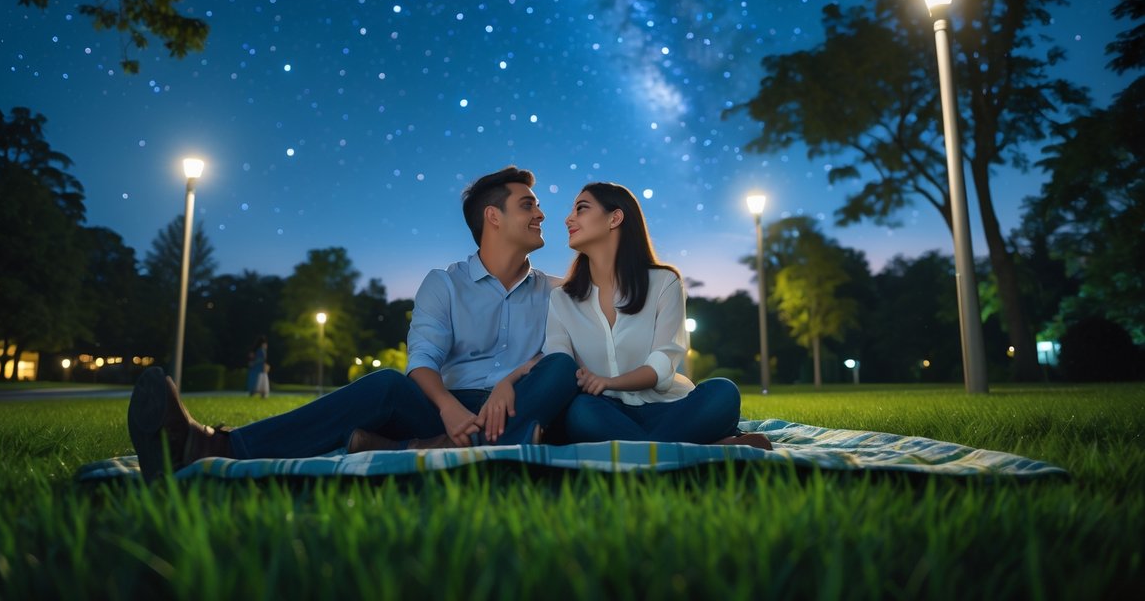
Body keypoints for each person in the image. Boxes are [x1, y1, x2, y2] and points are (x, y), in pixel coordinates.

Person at [127, 166, 580, 481]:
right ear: (493, 217)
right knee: (384, 384)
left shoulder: (557, 291)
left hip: (520, 406)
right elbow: (422, 360)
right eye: (528, 205)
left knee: (559, 374)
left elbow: (564, 353)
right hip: (447, 408)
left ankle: (427, 447)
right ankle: (211, 448)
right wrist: (446, 406)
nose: (542, 215)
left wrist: (513, 381)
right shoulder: (444, 284)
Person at [543, 182, 771, 449]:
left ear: (615, 218)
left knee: (723, 391)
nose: (568, 218)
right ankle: (706, 446)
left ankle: (643, 450)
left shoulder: (664, 282)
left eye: (581, 208)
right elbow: (560, 365)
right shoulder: (561, 299)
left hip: (669, 407)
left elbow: (663, 362)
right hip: (604, 412)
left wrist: (610, 382)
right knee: (580, 412)